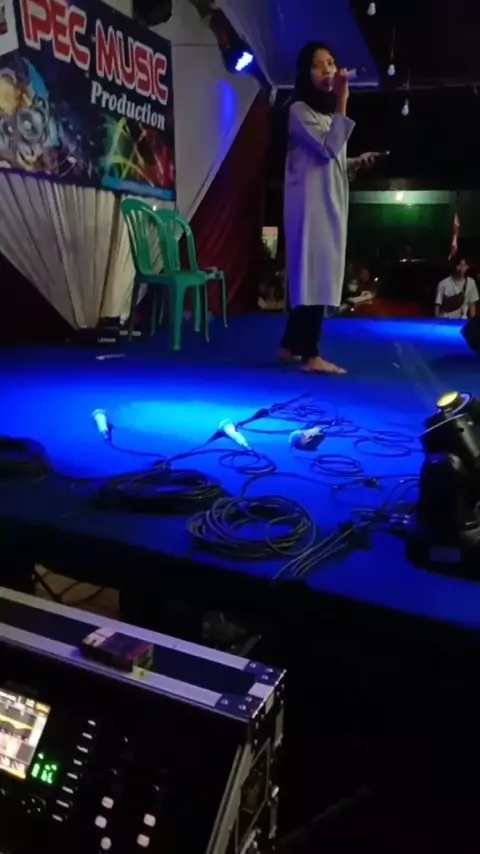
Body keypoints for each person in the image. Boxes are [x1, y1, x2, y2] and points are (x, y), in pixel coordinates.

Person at [278, 41, 380, 373]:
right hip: (311, 208)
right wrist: (343, 99)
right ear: (305, 73)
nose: (328, 69)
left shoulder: (325, 116)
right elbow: (326, 150)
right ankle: (311, 354)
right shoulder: (298, 111)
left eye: (331, 62)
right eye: (318, 64)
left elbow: (332, 158)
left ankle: (291, 345)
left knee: (314, 272)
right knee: (314, 274)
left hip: (327, 203)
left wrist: (354, 161)